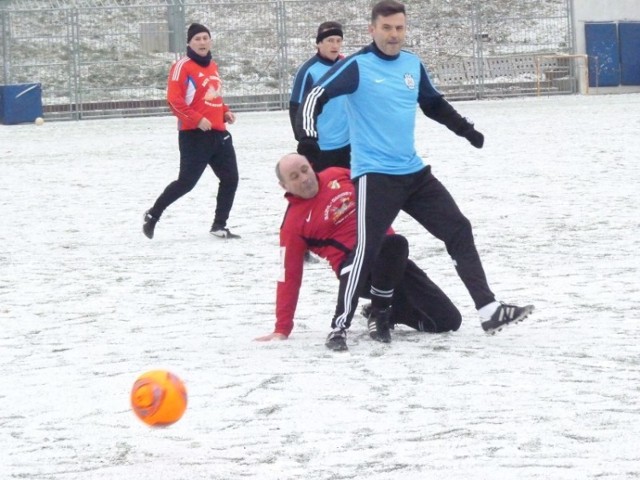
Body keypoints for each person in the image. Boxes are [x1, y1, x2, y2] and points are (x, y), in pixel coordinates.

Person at [294, 0, 533, 350]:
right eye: (387, 28)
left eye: (399, 28)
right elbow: (314, 97)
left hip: (414, 173)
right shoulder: (357, 66)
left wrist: (466, 130)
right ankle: (339, 326)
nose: (394, 35)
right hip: (375, 176)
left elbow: (433, 104)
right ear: (372, 30)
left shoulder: (412, 64)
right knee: (367, 250)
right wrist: (307, 139)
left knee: (458, 228)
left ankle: (489, 310)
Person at [254, 153, 462, 348]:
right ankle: (380, 309)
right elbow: (288, 276)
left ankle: (386, 312)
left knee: (448, 321)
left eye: (304, 169)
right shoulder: (292, 224)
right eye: (294, 176)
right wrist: (282, 328)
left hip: (391, 260)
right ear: (284, 185)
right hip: (357, 273)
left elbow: (375, 190)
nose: (304, 178)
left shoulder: (338, 174)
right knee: (394, 243)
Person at [143, 23, 240, 240]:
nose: (202, 42)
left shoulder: (213, 65)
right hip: (194, 136)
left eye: (206, 38)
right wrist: (197, 120)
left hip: (219, 134)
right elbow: (174, 101)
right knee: (186, 182)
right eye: (197, 39)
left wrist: (225, 111)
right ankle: (153, 215)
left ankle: (219, 225)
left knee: (231, 178)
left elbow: (212, 96)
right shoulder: (182, 67)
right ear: (189, 42)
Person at [289, 21, 350, 172]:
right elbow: (296, 108)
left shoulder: (347, 65)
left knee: (348, 191)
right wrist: (305, 142)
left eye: (338, 40)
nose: (335, 45)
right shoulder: (308, 71)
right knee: (322, 191)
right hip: (320, 147)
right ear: (319, 43)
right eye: (330, 41)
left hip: (348, 144)